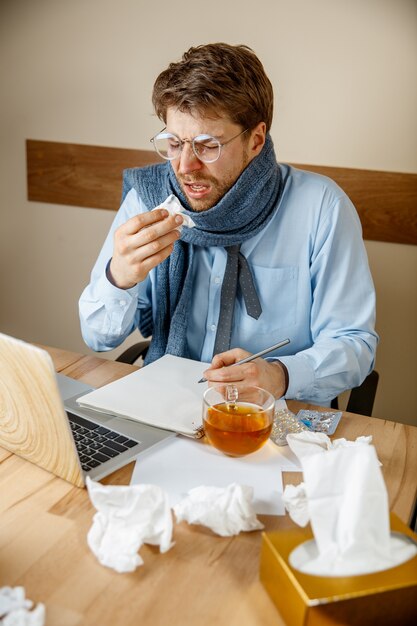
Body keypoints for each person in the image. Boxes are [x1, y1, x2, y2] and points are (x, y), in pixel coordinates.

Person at [79, 43, 378, 406]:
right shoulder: (148, 199)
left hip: (271, 415)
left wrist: (280, 376)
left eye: (207, 145)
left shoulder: (320, 208)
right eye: (174, 142)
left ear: (255, 140)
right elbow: (98, 338)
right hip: (165, 406)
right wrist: (119, 277)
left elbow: (354, 344)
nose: (185, 166)